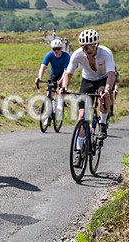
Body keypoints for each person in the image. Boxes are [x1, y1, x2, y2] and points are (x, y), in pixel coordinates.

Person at [58, 29, 116, 167]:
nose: (88, 50)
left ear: (97, 44)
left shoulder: (106, 53)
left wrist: (108, 89)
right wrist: (64, 87)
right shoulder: (78, 55)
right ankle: (78, 151)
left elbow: (111, 75)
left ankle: (102, 124)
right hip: (87, 81)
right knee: (82, 117)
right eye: (85, 47)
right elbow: (68, 73)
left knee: (103, 93)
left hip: (103, 79)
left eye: (91, 46)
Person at [34, 39, 70, 103]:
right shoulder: (49, 55)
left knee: (61, 90)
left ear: (61, 48)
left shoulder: (66, 56)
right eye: (54, 49)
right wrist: (39, 77)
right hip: (53, 74)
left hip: (63, 74)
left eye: (58, 49)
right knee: (50, 92)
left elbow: (66, 71)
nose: (56, 51)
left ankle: (61, 103)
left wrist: (61, 80)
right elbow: (43, 66)